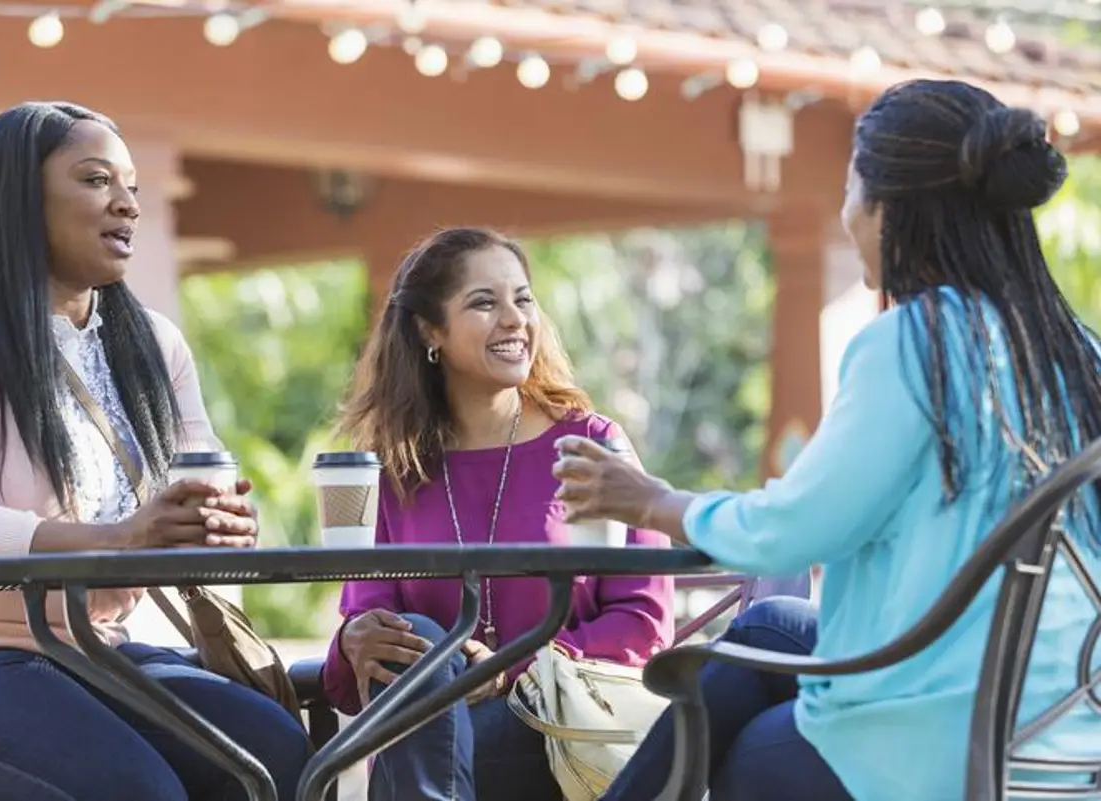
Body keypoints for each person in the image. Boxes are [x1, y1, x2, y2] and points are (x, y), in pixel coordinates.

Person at [554, 79, 1101, 801]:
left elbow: (793, 530)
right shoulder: (1075, 350)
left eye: (850, 188)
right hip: (1064, 724)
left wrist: (654, 502)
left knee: (751, 752)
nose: (845, 213)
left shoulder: (915, 344)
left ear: (891, 208)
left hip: (942, 738)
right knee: (769, 624)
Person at [0, 102, 312, 800]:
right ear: (20, 200)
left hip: (97, 650)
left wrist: (213, 525)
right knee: (132, 785)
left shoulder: (152, 343)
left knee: (272, 748)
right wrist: (118, 538)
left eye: (131, 187)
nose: (125, 204)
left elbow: (196, 477)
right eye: (95, 181)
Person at [321, 226, 675, 801]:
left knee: (437, 741)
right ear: (430, 331)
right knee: (423, 643)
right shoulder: (391, 470)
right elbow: (369, 637)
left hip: (567, 731)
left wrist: (511, 670)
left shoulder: (592, 445)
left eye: (523, 299)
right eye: (484, 303)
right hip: (434, 731)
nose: (514, 319)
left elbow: (643, 620)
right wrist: (355, 643)